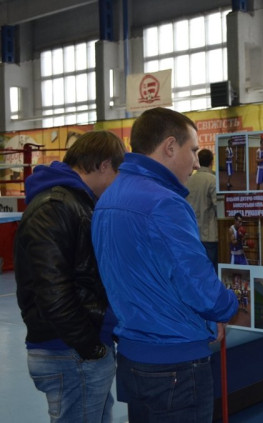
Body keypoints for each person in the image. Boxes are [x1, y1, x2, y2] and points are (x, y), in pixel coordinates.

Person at [91, 107, 239, 422]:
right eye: (193, 151)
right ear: (170, 146)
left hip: (133, 358)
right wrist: (229, 304)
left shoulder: (108, 199)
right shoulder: (164, 203)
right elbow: (199, 288)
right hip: (175, 365)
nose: (196, 163)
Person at [14, 131, 125, 422]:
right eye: (118, 173)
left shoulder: (76, 203)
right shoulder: (55, 207)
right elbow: (52, 291)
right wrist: (90, 347)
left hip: (78, 349)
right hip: (70, 351)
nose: (117, 183)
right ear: (104, 165)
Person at [186, 148, 219, 270]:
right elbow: (218, 208)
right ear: (211, 162)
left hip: (192, 235)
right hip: (209, 237)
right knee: (210, 273)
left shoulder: (188, 180)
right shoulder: (213, 180)